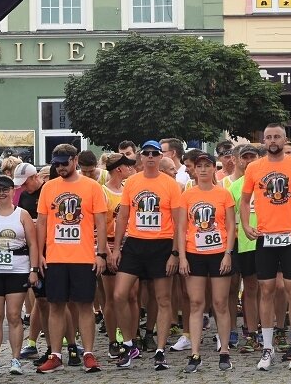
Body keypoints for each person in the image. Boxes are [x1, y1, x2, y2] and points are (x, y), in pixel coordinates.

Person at [241, 123, 291, 371]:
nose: (273, 140)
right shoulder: (254, 167)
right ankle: (267, 348)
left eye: (277, 136)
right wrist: (245, 224)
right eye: (268, 137)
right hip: (265, 236)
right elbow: (244, 201)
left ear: (285, 140)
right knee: (265, 290)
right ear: (263, 141)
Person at [109, 140, 183, 370]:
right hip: (135, 243)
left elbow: (179, 222)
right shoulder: (132, 182)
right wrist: (116, 248)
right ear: (141, 158)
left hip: (162, 245)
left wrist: (175, 253)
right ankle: (129, 344)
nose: (150, 157)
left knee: (163, 299)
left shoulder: (170, 185)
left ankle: (160, 351)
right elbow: (123, 216)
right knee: (119, 294)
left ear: (161, 157)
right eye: (147, 153)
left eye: (154, 153)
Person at [35, 144, 109, 373]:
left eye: (64, 163)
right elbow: (42, 223)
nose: (60, 168)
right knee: (56, 305)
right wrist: (38, 255)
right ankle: (56, 354)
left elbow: (101, 223)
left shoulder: (92, 187)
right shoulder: (48, 187)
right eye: (56, 164)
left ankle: (88, 353)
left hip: (83, 256)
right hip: (55, 257)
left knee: (85, 305)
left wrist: (101, 254)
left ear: (75, 160)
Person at [175, 152, 237, 372]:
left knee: (220, 303)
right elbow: (181, 228)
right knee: (196, 303)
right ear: (194, 169)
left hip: (219, 253)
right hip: (194, 253)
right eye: (199, 166)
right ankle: (195, 353)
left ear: (213, 168)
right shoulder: (187, 195)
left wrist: (228, 253)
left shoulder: (224, 194)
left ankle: (224, 351)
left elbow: (231, 226)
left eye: (207, 166)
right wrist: (182, 257)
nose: (202, 169)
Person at [0, 176, 40, 375]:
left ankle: (15, 359)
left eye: (5, 189)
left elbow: (32, 244)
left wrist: (34, 270)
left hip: (17, 269)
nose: (1, 193)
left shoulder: (22, 214)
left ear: (13, 191)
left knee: (14, 315)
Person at [13, 163, 52, 365]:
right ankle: (37, 343)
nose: (22, 187)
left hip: (52, 251)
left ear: (35, 177)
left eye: (25, 183)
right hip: (34, 253)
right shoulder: (24, 196)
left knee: (58, 301)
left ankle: (68, 343)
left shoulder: (48, 190)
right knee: (41, 300)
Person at [229, 144, 264, 354]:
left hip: (268, 240)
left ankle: (267, 330)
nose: (249, 161)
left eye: (253, 157)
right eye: (245, 157)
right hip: (245, 242)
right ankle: (252, 333)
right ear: (240, 161)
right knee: (250, 288)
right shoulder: (235, 187)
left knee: (268, 288)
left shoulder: (267, 181)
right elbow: (229, 218)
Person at [100, 153, 136, 359]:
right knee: (112, 297)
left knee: (132, 295)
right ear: (119, 169)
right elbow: (99, 225)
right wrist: (106, 251)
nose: (131, 169)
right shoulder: (103, 192)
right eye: (128, 166)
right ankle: (113, 340)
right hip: (111, 244)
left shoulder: (128, 190)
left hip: (130, 244)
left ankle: (131, 338)